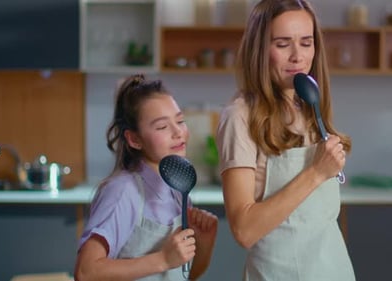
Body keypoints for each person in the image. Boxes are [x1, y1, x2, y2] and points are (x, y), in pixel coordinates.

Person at [216, 0, 355, 280]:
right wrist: (316, 172)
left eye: (306, 43)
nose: (298, 56)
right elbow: (244, 230)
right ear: (260, 50)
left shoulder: (309, 104)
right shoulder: (240, 117)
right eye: (282, 44)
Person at [74, 74, 218, 281]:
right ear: (134, 139)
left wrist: (205, 242)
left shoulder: (178, 191)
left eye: (180, 120)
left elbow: (187, 274)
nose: (178, 132)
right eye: (162, 127)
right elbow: (86, 272)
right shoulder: (123, 191)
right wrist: (162, 259)